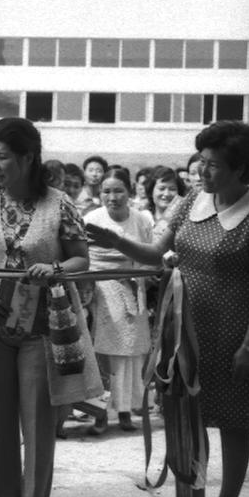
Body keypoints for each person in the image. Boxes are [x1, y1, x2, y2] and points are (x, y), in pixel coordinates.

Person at [88, 121, 249, 497]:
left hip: (234, 336)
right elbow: (154, 252)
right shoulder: (191, 204)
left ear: (241, 170)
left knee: (233, 422)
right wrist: (115, 241)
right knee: (187, 416)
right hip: (184, 332)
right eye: (201, 162)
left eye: (214, 165)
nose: (203, 172)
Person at [0, 118, 99, 497]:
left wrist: (56, 268)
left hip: (42, 326)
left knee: (37, 422)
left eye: (2, 157)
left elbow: (82, 259)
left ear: (27, 157)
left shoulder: (59, 204)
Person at [84, 167, 153, 432]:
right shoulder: (92, 218)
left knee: (131, 355)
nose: (112, 197)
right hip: (99, 290)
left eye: (118, 190)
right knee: (102, 353)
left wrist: (138, 277)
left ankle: (125, 410)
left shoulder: (142, 220)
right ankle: (99, 414)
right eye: (106, 191)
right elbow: (84, 256)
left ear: (130, 191)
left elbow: (149, 255)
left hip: (133, 289)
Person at [143, 165, 186, 238]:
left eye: (172, 189)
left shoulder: (184, 222)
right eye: (161, 188)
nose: (166, 194)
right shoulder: (142, 217)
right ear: (151, 191)